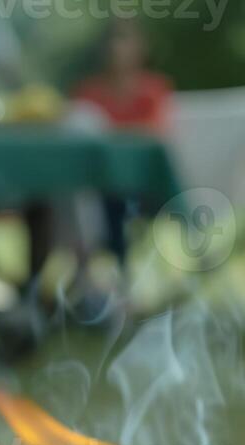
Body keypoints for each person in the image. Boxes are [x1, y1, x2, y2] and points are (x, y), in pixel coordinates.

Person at [72, 20, 175, 266]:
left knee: (115, 196)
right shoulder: (87, 92)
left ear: (140, 48)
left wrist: (110, 136)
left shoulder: (154, 90)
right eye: (111, 40)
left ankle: (119, 274)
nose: (115, 48)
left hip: (142, 189)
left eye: (123, 40)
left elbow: (155, 133)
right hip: (87, 187)